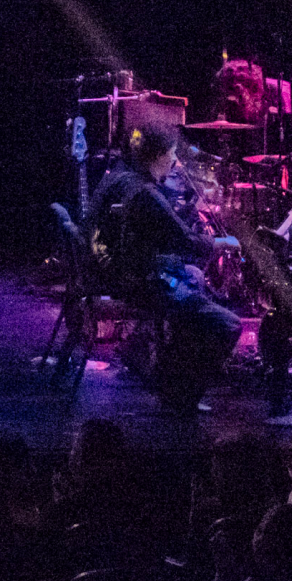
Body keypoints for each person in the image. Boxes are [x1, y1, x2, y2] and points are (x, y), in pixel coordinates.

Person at [90, 120, 243, 412]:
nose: (174, 161)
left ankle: (162, 367)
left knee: (194, 278)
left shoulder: (118, 175)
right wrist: (223, 243)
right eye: (171, 154)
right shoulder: (143, 192)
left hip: (113, 271)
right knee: (226, 323)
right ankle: (180, 395)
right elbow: (183, 240)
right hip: (131, 280)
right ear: (157, 155)